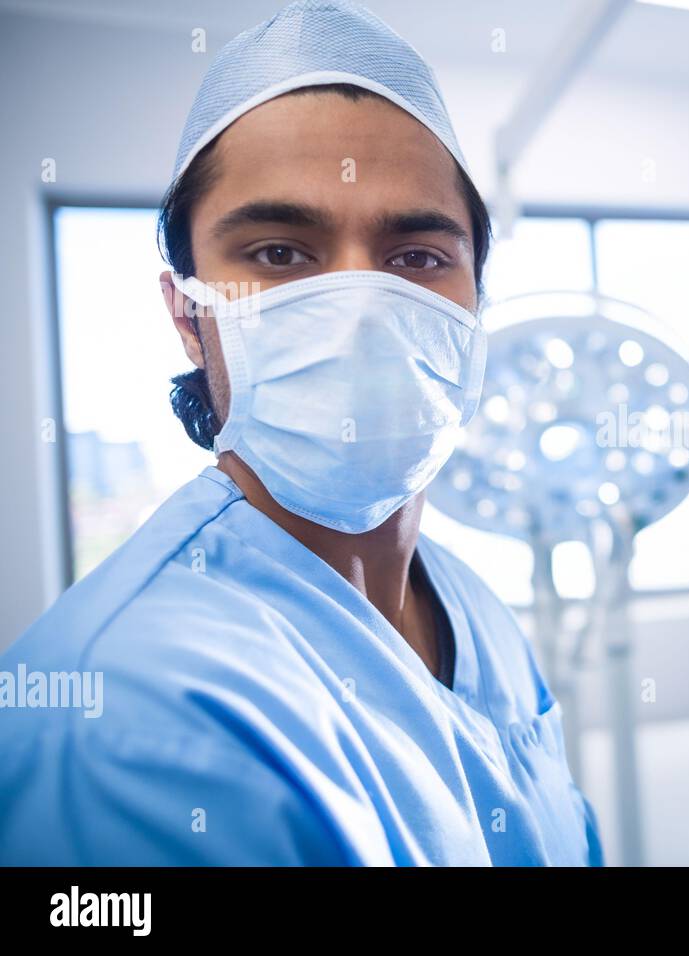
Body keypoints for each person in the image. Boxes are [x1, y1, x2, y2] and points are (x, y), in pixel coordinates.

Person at [0, 0, 603, 866]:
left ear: (476, 309)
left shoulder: (478, 618)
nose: (360, 312)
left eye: (417, 257)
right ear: (188, 315)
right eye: (281, 253)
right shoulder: (123, 720)